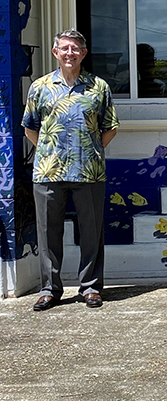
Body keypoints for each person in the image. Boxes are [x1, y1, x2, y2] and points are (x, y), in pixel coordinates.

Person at [22, 29, 119, 311]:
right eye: (64, 48)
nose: (69, 53)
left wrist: (90, 150)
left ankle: (90, 288)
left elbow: (110, 127)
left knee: (91, 232)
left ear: (83, 53)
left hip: (88, 171)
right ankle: (49, 289)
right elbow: (30, 127)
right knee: (48, 232)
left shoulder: (97, 87)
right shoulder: (40, 87)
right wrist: (49, 151)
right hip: (48, 172)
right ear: (55, 53)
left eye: (75, 49)